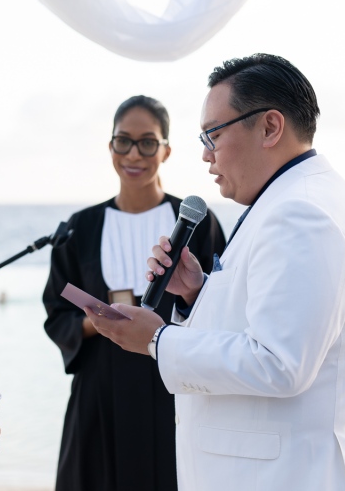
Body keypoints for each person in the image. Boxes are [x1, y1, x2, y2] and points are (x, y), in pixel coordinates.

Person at [84, 55, 345, 491]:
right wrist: (196, 293)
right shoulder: (289, 199)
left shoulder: (301, 212)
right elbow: (267, 320)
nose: (206, 155)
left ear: (269, 127)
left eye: (214, 134)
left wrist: (157, 339)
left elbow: (280, 363)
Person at [43, 96, 226, 491]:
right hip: (99, 390)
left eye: (147, 142)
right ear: (111, 146)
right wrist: (97, 324)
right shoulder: (81, 226)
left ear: (166, 150)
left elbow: (222, 306)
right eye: (123, 141)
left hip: (171, 384)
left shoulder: (194, 221)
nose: (134, 154)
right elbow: (57, 312)